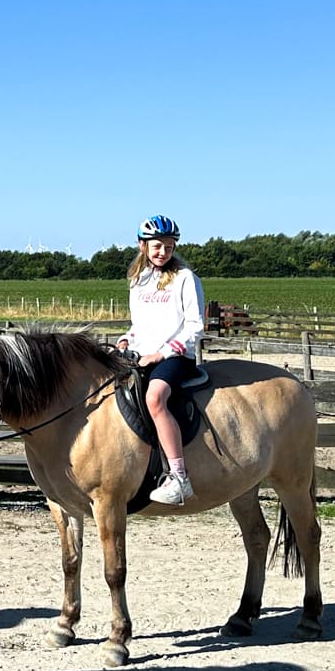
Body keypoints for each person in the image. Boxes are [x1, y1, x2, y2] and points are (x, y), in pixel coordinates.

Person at [117, 215, 205, 506]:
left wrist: (163, 352)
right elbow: (139, 325)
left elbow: (195, 325)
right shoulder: (138, 280)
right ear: (142, 245)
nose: (163, 252)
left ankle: (179, 477)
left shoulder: (185, 279)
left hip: (176, 356)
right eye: (157, 246)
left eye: (169, 246)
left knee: (155, 397)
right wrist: (126, 339)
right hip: (143, 355)